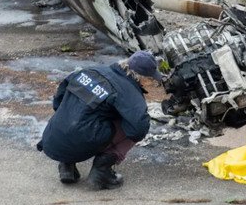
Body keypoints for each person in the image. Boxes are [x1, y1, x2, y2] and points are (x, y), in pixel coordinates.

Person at [37, 50, 163, 189]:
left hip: (52, 138)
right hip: (80, 143)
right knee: (136, 123)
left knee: (73, 110)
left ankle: (66, 165)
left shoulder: (90, 71)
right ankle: (101, 170)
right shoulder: (129, 93)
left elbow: (58, 101)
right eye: (151, 79)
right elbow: (138, 130)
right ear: (142, 77)